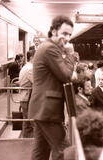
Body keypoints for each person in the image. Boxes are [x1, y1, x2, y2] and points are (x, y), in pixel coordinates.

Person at [28, 15, 75, 160]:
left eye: (69, 34)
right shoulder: (50, 49)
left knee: (40, 152)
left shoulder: (49, 47)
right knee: (64, 150)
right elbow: (66, 75)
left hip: (42, 108)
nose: (67, 38)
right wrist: (70, 54)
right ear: (54, 31)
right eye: (64, 33)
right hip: (47, 109)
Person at [19, 50, 35, 138]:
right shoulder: (30, 68)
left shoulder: (26, 67)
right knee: (32, 121)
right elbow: (36, 82)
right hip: (27, 98)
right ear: (32, 57)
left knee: (26, 122)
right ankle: (35, 142)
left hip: (24, 97)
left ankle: (25, 140)